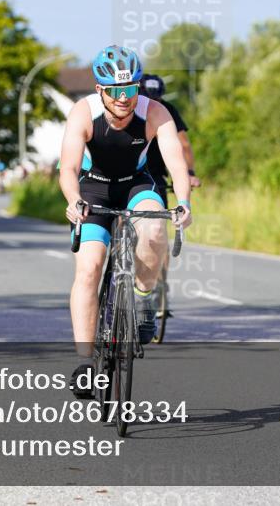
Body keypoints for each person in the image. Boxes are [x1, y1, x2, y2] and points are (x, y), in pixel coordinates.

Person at [59, 45, 192, 398]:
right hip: (94, 190)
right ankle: (86, 362)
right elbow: (69, 168)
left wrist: (184, 203)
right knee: (89, 268)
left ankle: (144, 299)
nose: (124, 99)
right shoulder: (83, 113)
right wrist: (73, 201)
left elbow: (176, 164)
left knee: (152, 231)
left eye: (130, 89)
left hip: (136, 185)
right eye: (116, 91)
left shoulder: (155, 112)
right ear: (100, 90)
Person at [137, 74, 201, 195]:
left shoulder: (129, 107)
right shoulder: (166, 109)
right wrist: (189, 173)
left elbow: (184, 144)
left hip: (133, 174)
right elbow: (184, 144)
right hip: (153, 176)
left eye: (156, 100)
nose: (152, 105)